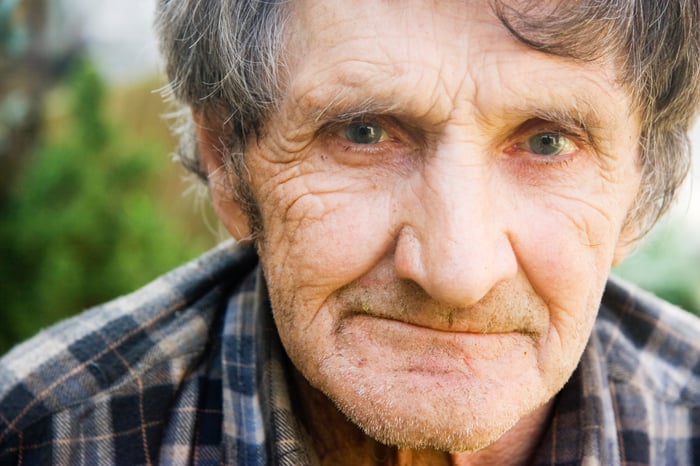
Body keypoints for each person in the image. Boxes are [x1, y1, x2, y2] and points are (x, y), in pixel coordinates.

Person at [1, 0, 700, 464]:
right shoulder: (41, 439)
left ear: (641, 187)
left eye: (548, 143)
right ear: (227, 161)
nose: (456, 271)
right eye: (363, 133)